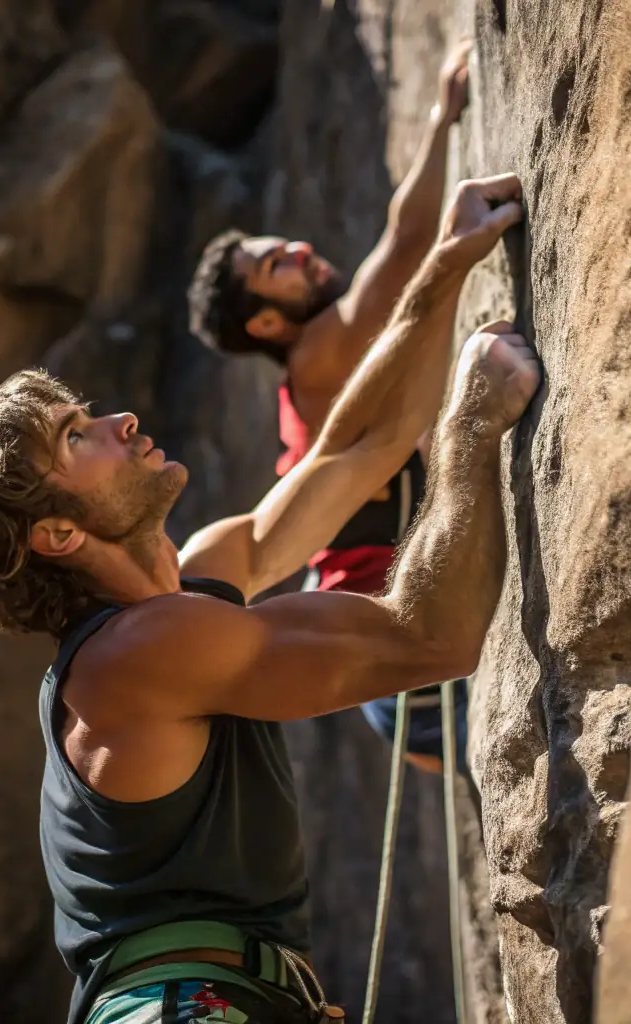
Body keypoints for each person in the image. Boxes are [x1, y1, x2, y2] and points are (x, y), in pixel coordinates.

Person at [0, 172, 535, 1023]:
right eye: (77, 437)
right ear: (58, 535)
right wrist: (469, 428)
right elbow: (431, 639)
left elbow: (353, 448)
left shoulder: (187, 592)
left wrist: (443, 265)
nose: (121, 421)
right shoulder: (136, 657)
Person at [187, 43, 475, 774]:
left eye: (277, 245)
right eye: (273, 265)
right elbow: (408, 242)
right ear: (264, 325)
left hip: (376, 650)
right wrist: (443, 116)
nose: (296, 247)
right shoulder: (317, 357)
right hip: (387, 631)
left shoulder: (313, 379)